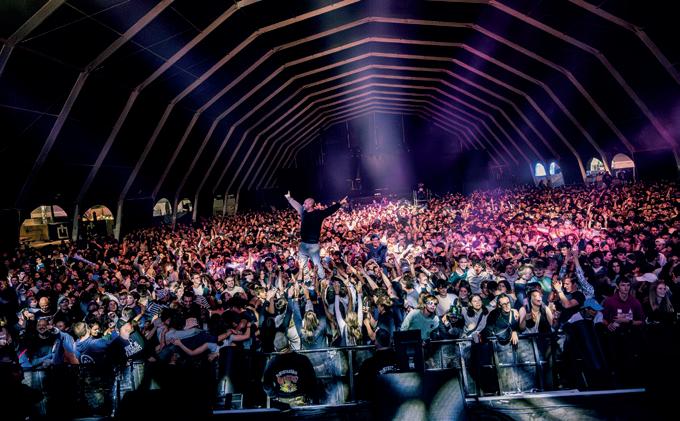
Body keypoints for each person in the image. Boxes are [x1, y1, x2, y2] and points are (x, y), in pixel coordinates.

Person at [285, 191, 348, 279]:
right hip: (303, 244)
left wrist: (339, 203)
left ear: (310, 204)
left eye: (305, 203)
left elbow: (329, 210)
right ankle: (307, 280)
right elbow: (297, 205)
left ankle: (323, 280)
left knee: (317, 264)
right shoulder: (303, 212)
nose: (303, 205)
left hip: (313, 245)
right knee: (303, 264)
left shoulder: (319, 214)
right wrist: (289, 198)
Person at [261, 332, 317, 406]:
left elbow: (266, 384)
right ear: (289, 343)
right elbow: (312, 380)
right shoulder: (303, 359)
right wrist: (309, 395)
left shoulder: (272, 362)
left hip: (281, 402)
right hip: (301, 400)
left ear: (275, 348)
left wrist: (274, 396)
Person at [356, 328, 398, 401]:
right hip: (398, 402)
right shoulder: (401, 360)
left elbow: (361, 389)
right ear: (390, 341)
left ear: (376, 343)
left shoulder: (368, 364)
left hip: (376, 404)